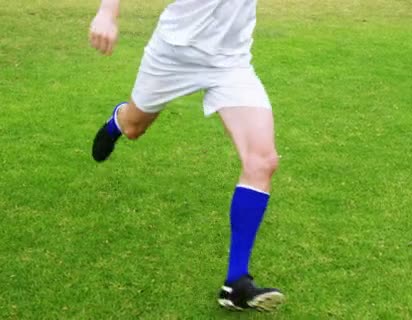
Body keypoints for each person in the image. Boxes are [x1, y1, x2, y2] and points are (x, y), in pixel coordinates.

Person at [88, 0, 284, 312]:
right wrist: (108, 11)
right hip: (174, 51)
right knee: (135, 127)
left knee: (263, 161)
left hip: (230, 62)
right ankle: (118, 121)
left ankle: (235, 284)